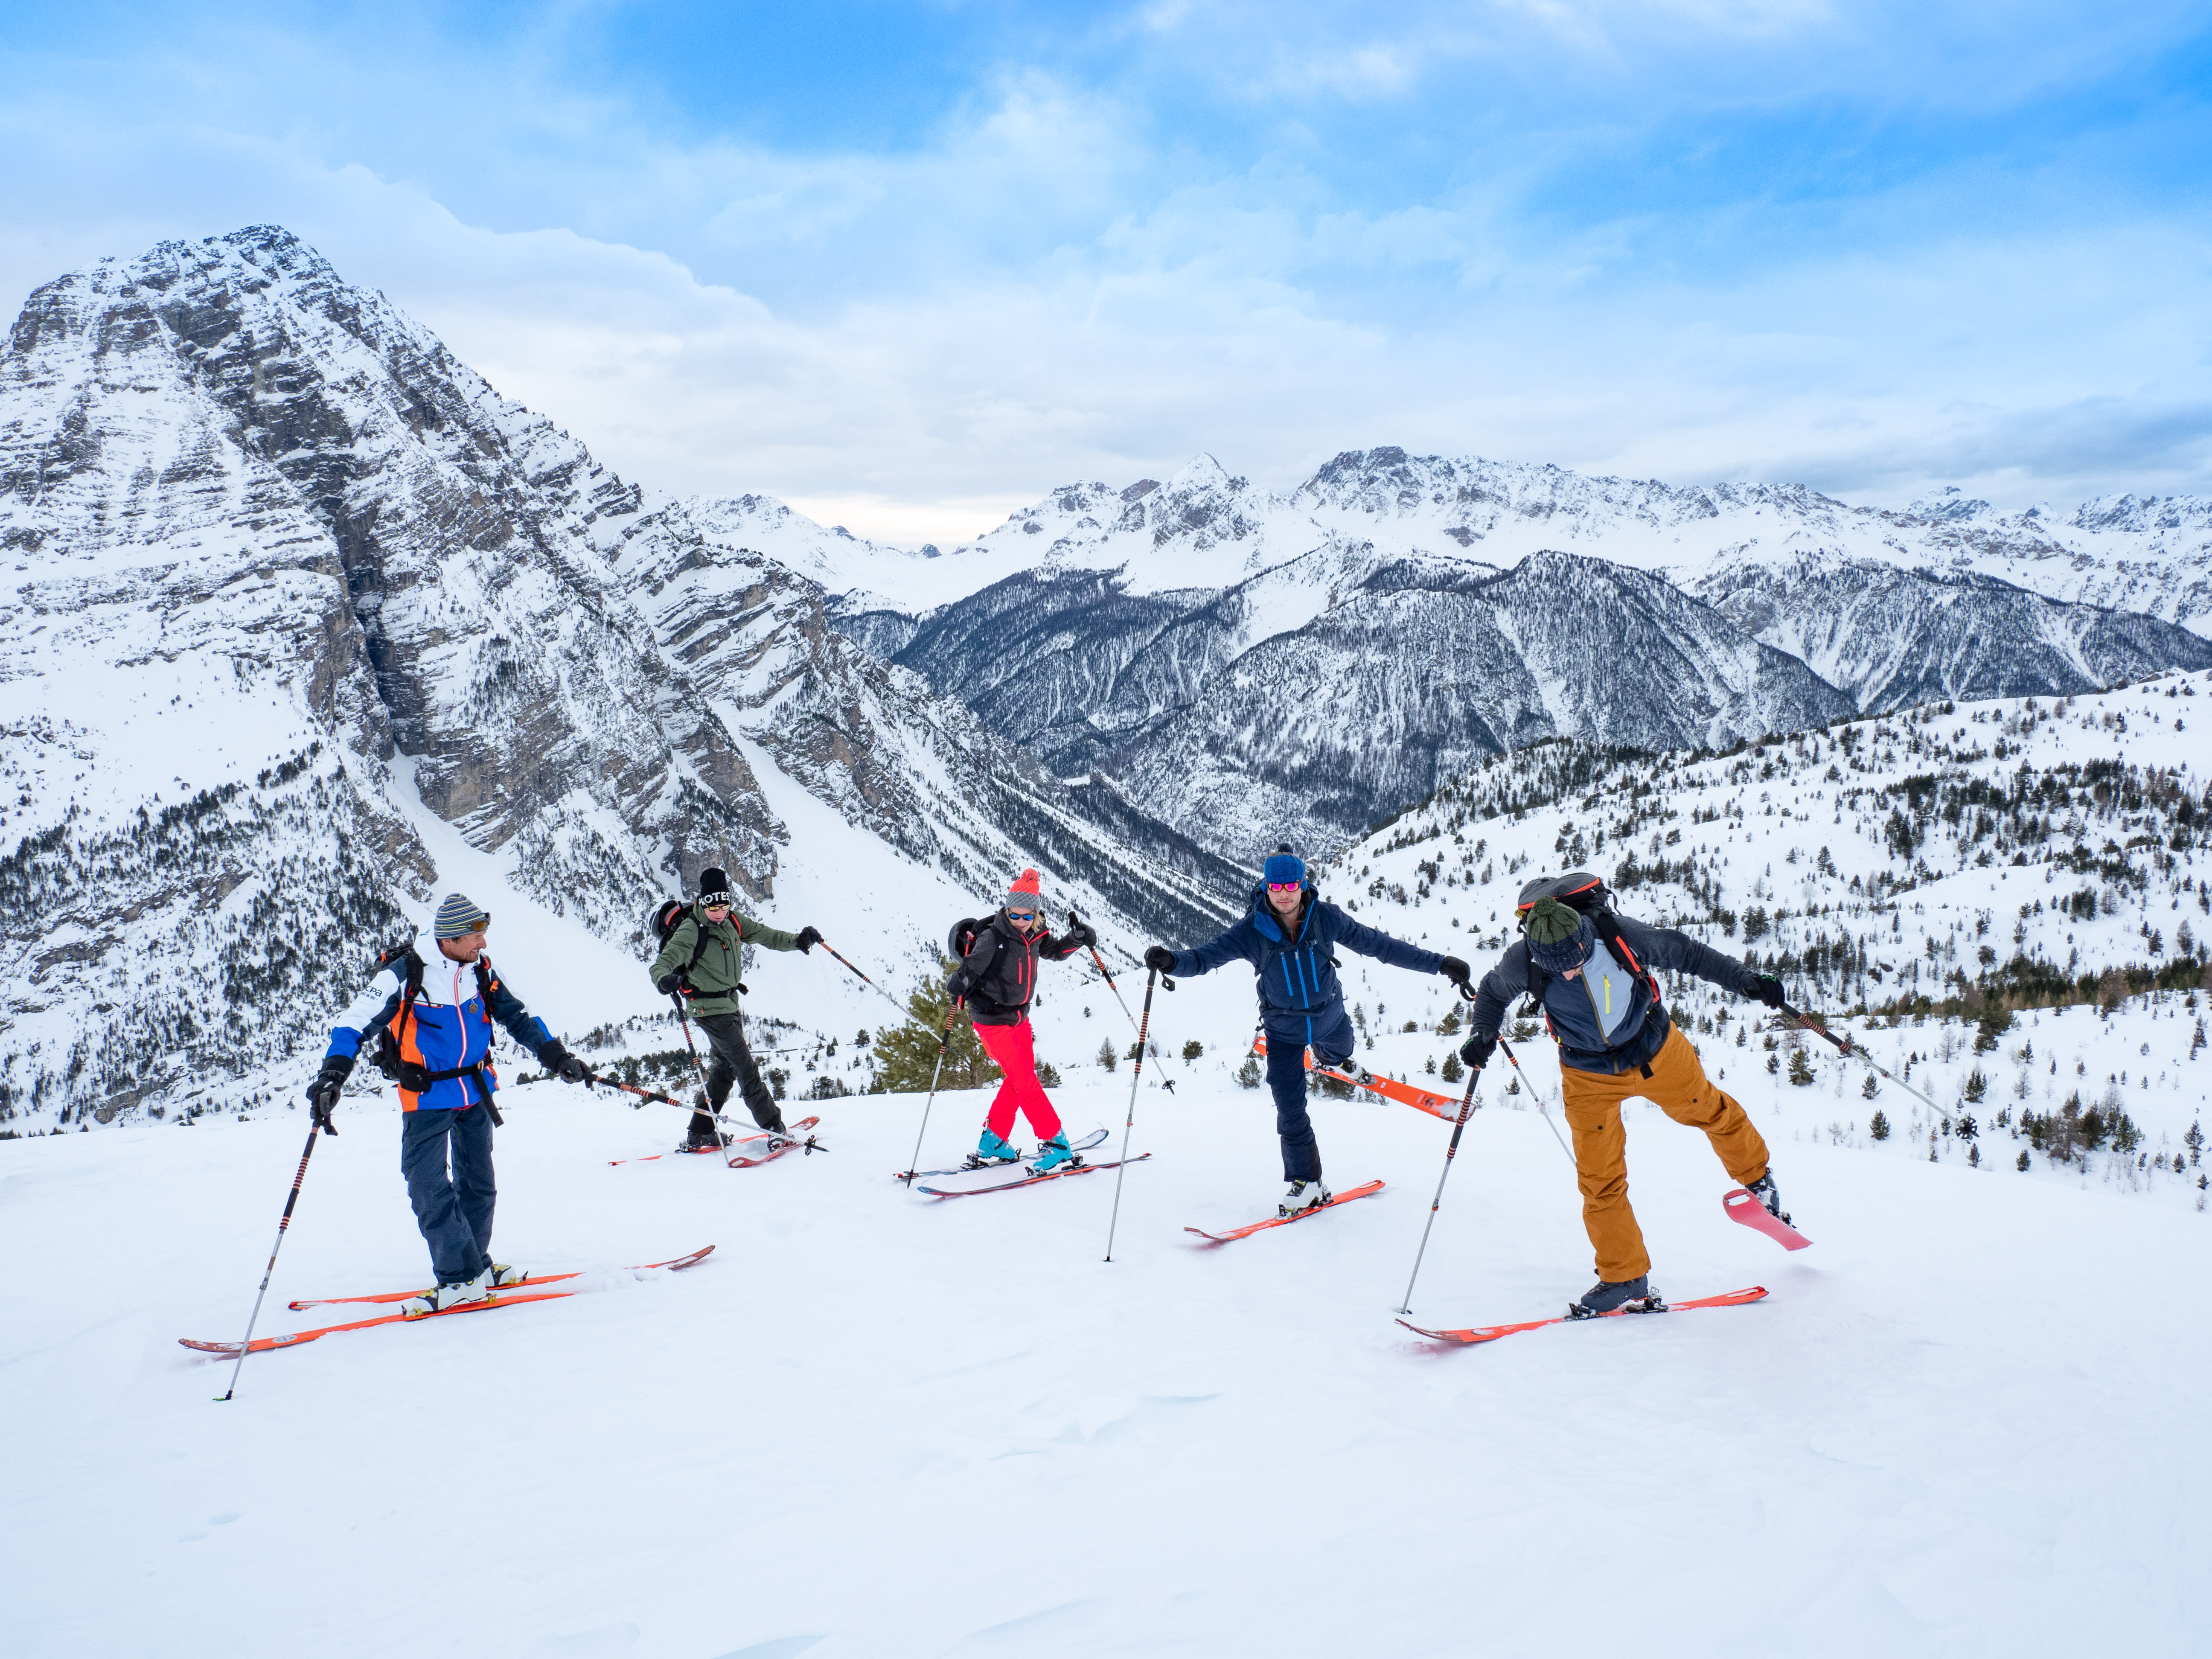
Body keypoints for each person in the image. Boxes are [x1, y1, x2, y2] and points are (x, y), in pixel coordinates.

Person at [1457, 884, 1791, 1316]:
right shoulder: (1524, 960)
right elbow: (1493, 993)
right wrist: (1482, 1032)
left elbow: (1689, 954)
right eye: (1558, 970)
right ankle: (1624, 1276)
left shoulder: (1617, 935)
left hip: (1656, 1052)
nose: (1571, 973)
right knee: (1599, 1178)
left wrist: (1746, 981)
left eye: (1576, 962)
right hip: (1586, 1075)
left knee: (1710, 1111)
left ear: (1583, 940)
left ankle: (1757, 1180)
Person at [305, 893, 593, 1316]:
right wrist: (333, 1074)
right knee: (425, 1182)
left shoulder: (480, 971)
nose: (484, 945)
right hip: (427, 1095)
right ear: (451, 938)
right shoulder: (405, 974)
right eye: (477, 937)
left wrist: (557, 1057)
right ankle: (460, 1277)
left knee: (479, 1181)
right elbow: (354, 1020)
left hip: (476, 1089)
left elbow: (517, 1017)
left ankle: (473, 1268)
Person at [1146, 846, 1470, 1216]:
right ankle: (1307, 1183)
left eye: (1292, 885)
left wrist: (1439, 964)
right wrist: (1171, 962)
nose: (1284, 893)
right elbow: (1203, 958)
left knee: (1341, 1051)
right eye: (1276, 886)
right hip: (1283, 1032)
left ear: (1303, 885)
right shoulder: (1252, 931)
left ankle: (1332, 1060)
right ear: (1266, 887)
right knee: (1289, 1110)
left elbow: (1380, 946)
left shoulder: (1326, 919)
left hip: (1329, 1016)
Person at [647, 865, 822, 1149]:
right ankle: (774, 1127)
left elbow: (767, 936)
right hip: (707, 1009)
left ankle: (700, 1131)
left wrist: (798, 941)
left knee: (726, 1068)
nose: (719, 911)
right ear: (702, 903)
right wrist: (664, 979)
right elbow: (662, 963)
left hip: (729, 1004)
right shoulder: (692, 929)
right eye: (712, 906)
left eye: (724, 904)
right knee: (745, 1067)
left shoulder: (734, 922)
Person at [945, 867, 1094, 1172]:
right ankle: (1055, 1141)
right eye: (1016, 915)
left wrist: (1076, 939)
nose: (1021, 922)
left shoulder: (1036, 934)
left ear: (1035, 913)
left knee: (1019, 1080)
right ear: (1008, 909)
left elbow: (1054, 951)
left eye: (1028, 916)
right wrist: (957, 982)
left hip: (1019, 1018)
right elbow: (970, 969)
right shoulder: (993, 938)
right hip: (991, 1020)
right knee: (1027, 1082)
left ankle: (994, 1140)